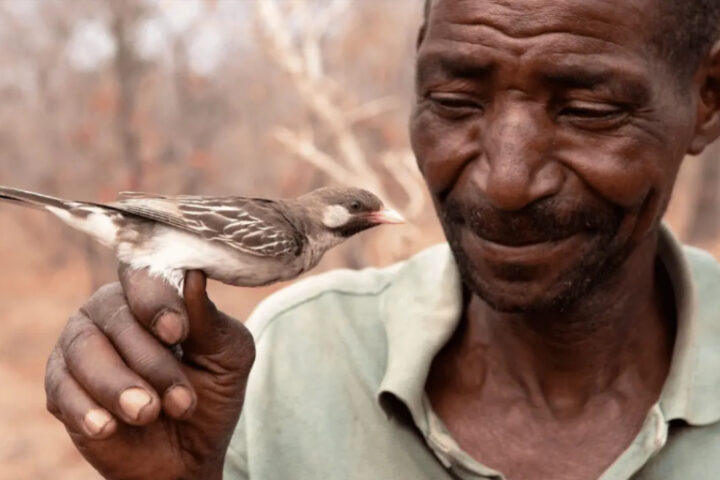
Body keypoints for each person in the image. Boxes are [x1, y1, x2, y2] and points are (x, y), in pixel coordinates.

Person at [44, 0, 720, 478]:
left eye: (589, 111)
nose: (506, 183)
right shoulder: (285, 358)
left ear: (707, 99)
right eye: (455, 100)